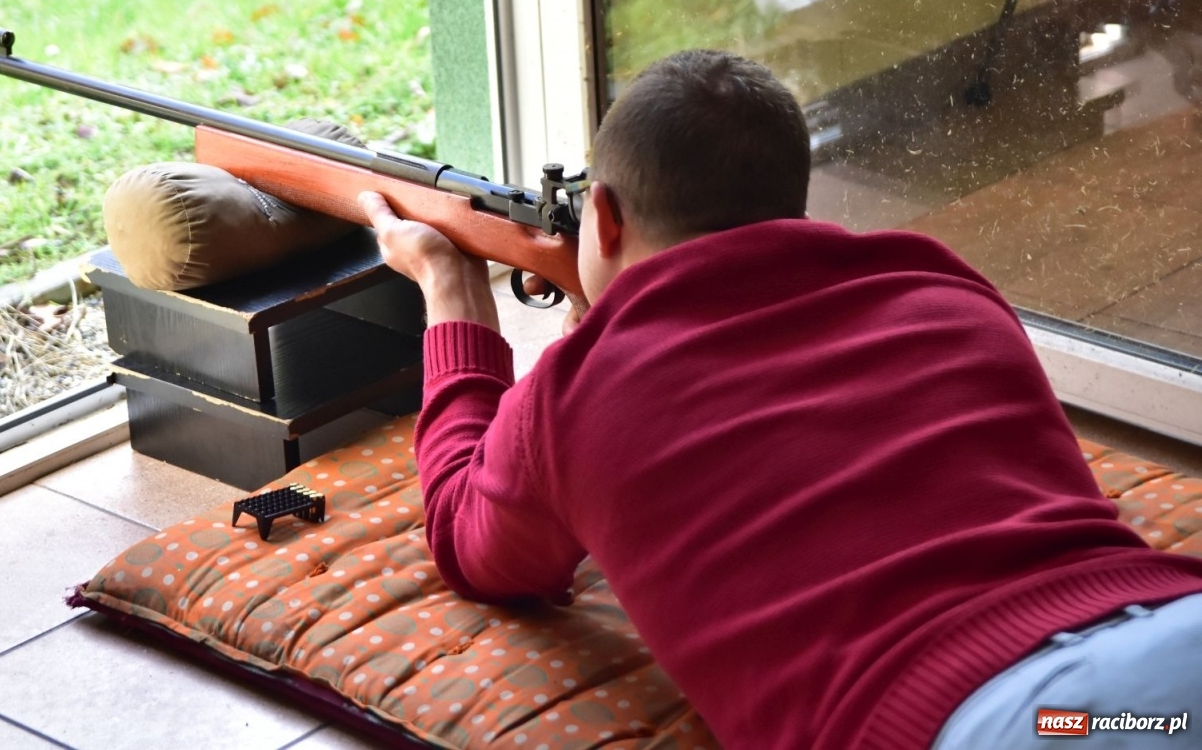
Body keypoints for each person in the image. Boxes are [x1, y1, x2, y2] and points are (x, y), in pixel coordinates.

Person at [356, 49, 1202, 750]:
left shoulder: (573, 391)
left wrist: (450, 289)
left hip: (1035, 725)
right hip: (1167, 634)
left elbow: (475, 549)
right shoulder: (944, 289)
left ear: (602, 220)